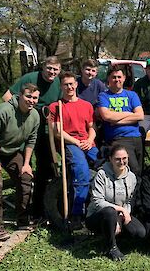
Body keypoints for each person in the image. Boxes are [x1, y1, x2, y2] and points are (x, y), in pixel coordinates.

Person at [0, 83, 40, 241]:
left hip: (11, 151)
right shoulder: (2, 111)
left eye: (35, 98)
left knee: (25, 178)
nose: (31, 100)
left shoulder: (35, 116)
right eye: (28, 97)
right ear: (19, 96)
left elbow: (31, 140)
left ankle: (23, 220)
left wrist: (26, 164)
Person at [2, 56, 62, 219]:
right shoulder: (30, 78)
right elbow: (7, 95)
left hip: (45, 132)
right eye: (49, 68)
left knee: (46, 168)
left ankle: (40, 207)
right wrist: (20, 112)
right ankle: (22, 207)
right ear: (43, 67)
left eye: (55, 69)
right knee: (21, 166)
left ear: (59, 70)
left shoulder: (57, 83)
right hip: (26, 128)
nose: (52, 72)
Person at [48, 72, 98, 229]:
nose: (69, 87)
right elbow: (57, 131)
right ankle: (76, 214)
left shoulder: (86, 105)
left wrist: (89, 140)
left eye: (71, 84)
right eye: (65, 84)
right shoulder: (56, 106)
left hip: (88, 143)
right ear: (61, 86)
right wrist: (77, 142)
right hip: (69, 143)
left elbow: (92, 128)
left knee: (107, 167)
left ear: (76, 84)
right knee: (82, 171)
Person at [86, 145, 146, 261]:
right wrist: (121, 210)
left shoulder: (132, 177)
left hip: (119, 215)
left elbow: (129, 201)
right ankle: (112, 247)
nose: (121, 162)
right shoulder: (101, 175)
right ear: (110, 159)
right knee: (110, 212)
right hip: (97, 216)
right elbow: (98, 201)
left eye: (124, 158)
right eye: (117, 159)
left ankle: (111, 237)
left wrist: (122, 216)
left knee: (140, 232)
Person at [97, 66, 144, 175]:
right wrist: (129, 114)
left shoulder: (132, 95)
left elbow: (140, 115)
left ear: (124, 78)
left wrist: (117, 121)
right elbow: (107, 116)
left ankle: (139, 192)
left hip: (136, 136)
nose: (117, 80)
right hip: (119, 138)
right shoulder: (103, 96)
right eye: (114, 77)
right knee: (133, 169)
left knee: (140, 170)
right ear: (108, 79)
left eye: (119, 77)